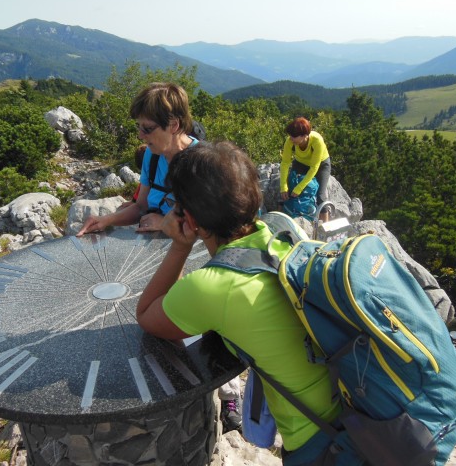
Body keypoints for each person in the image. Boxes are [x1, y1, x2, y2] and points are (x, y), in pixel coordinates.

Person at [136, 141, 357, 465]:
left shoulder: (211, 288)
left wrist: (180, 245)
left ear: (191, 218)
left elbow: (146, 314)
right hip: (364, 402)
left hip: (324, 442)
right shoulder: (284, 227)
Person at [76, 82, 199, 236]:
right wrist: (105, 220)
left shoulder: (201, 163)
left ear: (173, 125)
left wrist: (164, 223)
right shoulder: (152, 154)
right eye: (139, 127)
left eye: (147, 128)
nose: (141, 135)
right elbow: (141, 207)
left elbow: (213, 224)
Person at [279, 117, 332, 223]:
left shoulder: (317, 141)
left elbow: (314, 167)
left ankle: (325, 228)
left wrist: (300, 187)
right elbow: (285, 163)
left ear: (304, 136)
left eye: (294, 136)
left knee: (320, 195)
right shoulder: (289, 142)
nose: (291, 139)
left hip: (321, 165)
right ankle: (283, 221)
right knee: (287, 191)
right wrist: (283, 186)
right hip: (300, 163)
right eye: (290, 136)